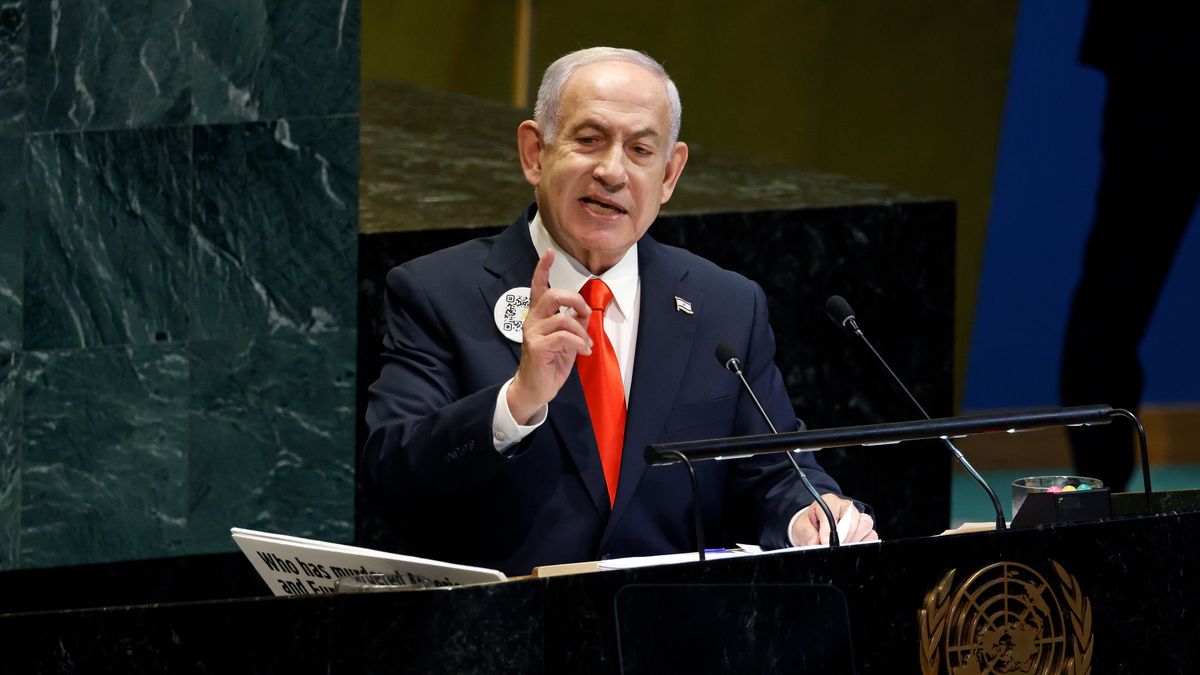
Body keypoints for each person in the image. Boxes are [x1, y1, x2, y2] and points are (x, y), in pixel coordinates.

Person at [363, 47, 876, 576]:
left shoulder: (725, 305)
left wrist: (812, 513)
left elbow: (774, 472)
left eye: (639, 150)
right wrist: (516, 402)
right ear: (535, 153)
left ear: (670, 173)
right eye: (589, 140)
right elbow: (394, 475)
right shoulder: (437, 292)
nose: (612, 171)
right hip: (505, 637)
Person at [1061, 2, 1200, 491]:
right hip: (1159, 58)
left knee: (1113, 294)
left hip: (1156, 52)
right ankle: (1100, 510)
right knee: (1114, 296)